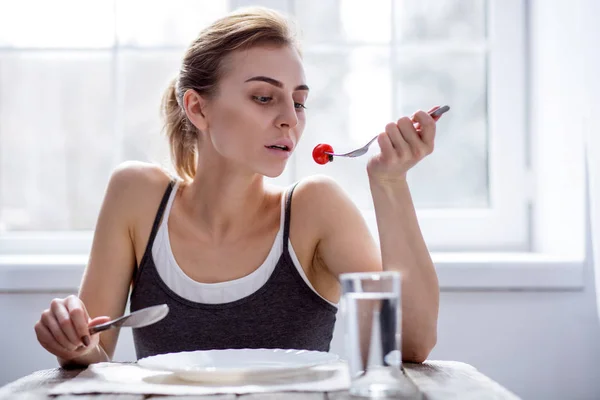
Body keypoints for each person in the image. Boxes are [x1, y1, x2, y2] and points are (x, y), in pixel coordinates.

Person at [34, 6, 439, 367]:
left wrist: (389, 182)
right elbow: (94, 351)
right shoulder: (136, 196)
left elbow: (413, 344)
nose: (289, 119)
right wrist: (73, 343)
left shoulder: (316, 209)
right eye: (263, 97)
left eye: (298, 102)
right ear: (197, 108)